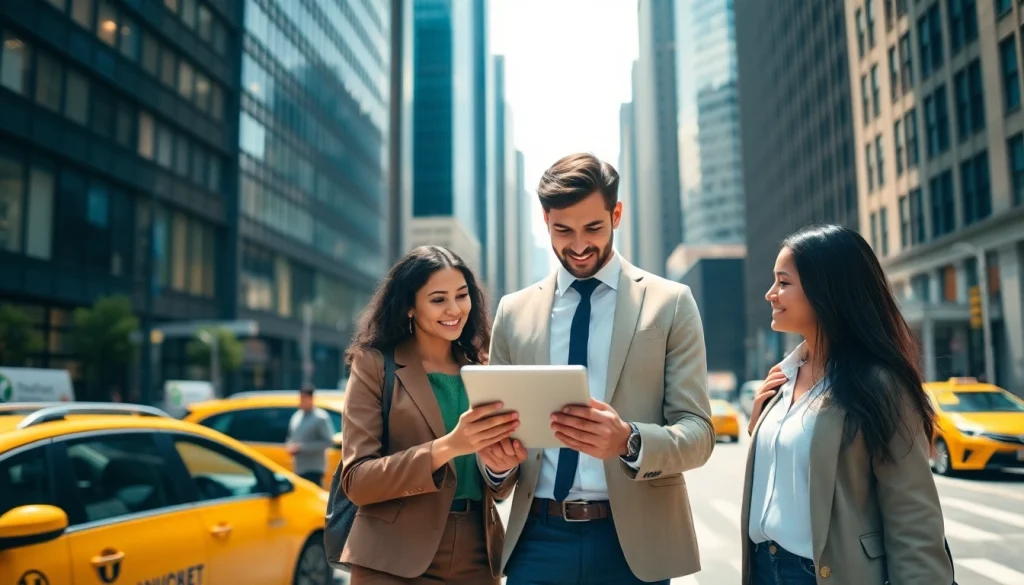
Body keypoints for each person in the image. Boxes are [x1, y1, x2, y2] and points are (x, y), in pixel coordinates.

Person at [477, 153, 716, 585]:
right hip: (538, 542)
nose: (580, 245)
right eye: (562, 230)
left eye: (594, 228)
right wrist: (497, 463)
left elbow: (699, 433)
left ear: (616, 214)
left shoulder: (670, 303)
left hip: (635, 547)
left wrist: (629, 440)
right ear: (545, 219)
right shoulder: (513, 312)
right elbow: (495, 444)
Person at [741, 224, 955, 585]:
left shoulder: (880, 386)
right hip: (763, 568)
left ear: (827, 290)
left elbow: (913, 516)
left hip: (822, 574)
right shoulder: (783, 379)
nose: (770, 294)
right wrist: (762, 426)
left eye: (783, 282)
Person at [338, 245, 519, 585]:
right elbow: (358, 481)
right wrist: (448, 446)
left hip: (477, 555)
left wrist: (501, 466)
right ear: (410, 306)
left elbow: (500, 486)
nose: (454, 310)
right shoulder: (374, 365)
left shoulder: (485, 368)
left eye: (462, 296)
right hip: (392, 558)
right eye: (438, 299)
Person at [285, 384, 336, 487]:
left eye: (305, 398)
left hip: (314, 469)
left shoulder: (320, 418)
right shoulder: (297, 417)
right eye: (301, 398)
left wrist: (302, 448)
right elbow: (291, 437)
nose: (302, 401)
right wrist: (290, 446)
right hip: (299, 467)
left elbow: (328, 442)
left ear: (312, 398)